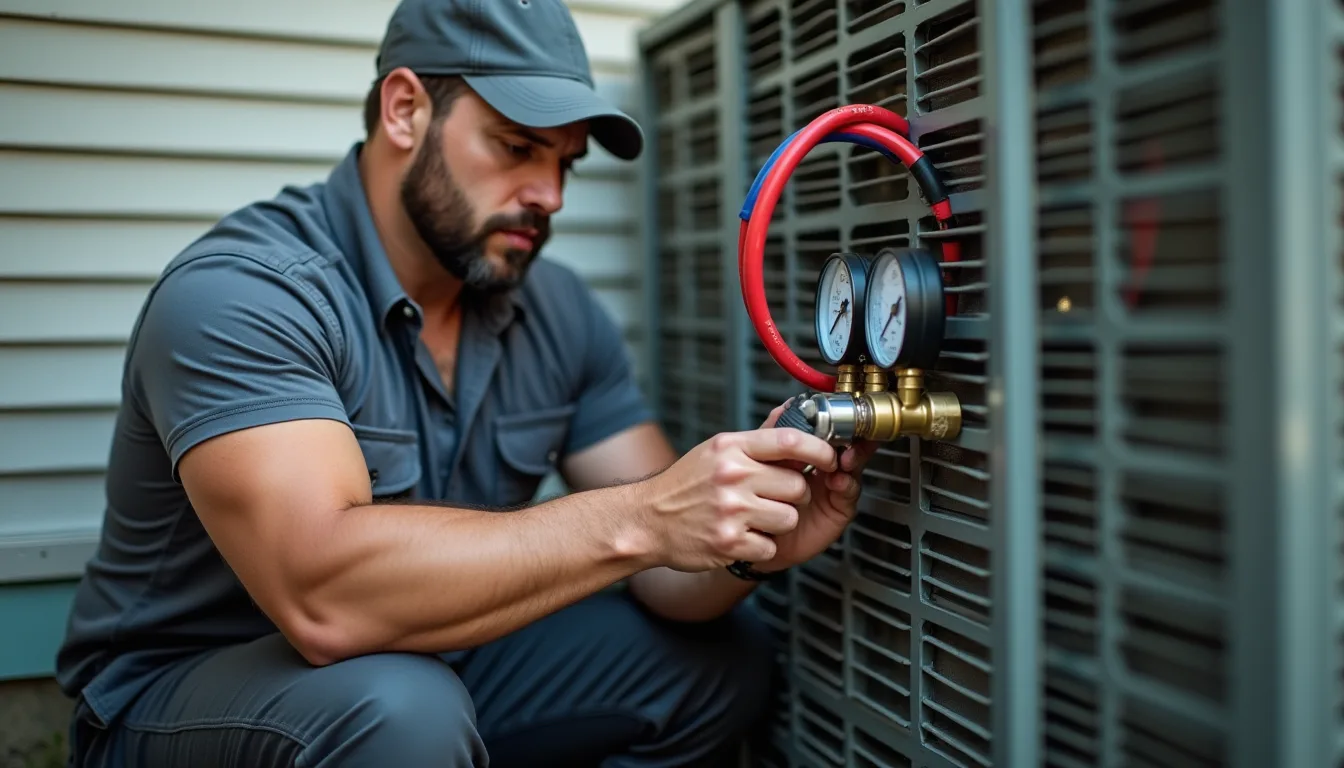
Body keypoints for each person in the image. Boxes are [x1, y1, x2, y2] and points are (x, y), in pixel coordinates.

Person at [54, 1, 875, 765]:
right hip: (183, 697)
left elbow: (663, 571)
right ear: (405, 109)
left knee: (717, 660)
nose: (547, 196)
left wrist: (749, 543)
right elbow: (323, 600)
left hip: (435, 659)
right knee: (398, 708)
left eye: (565, 164)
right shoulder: (244, 293)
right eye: (517, 146)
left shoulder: (555, 311)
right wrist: (645, 516)